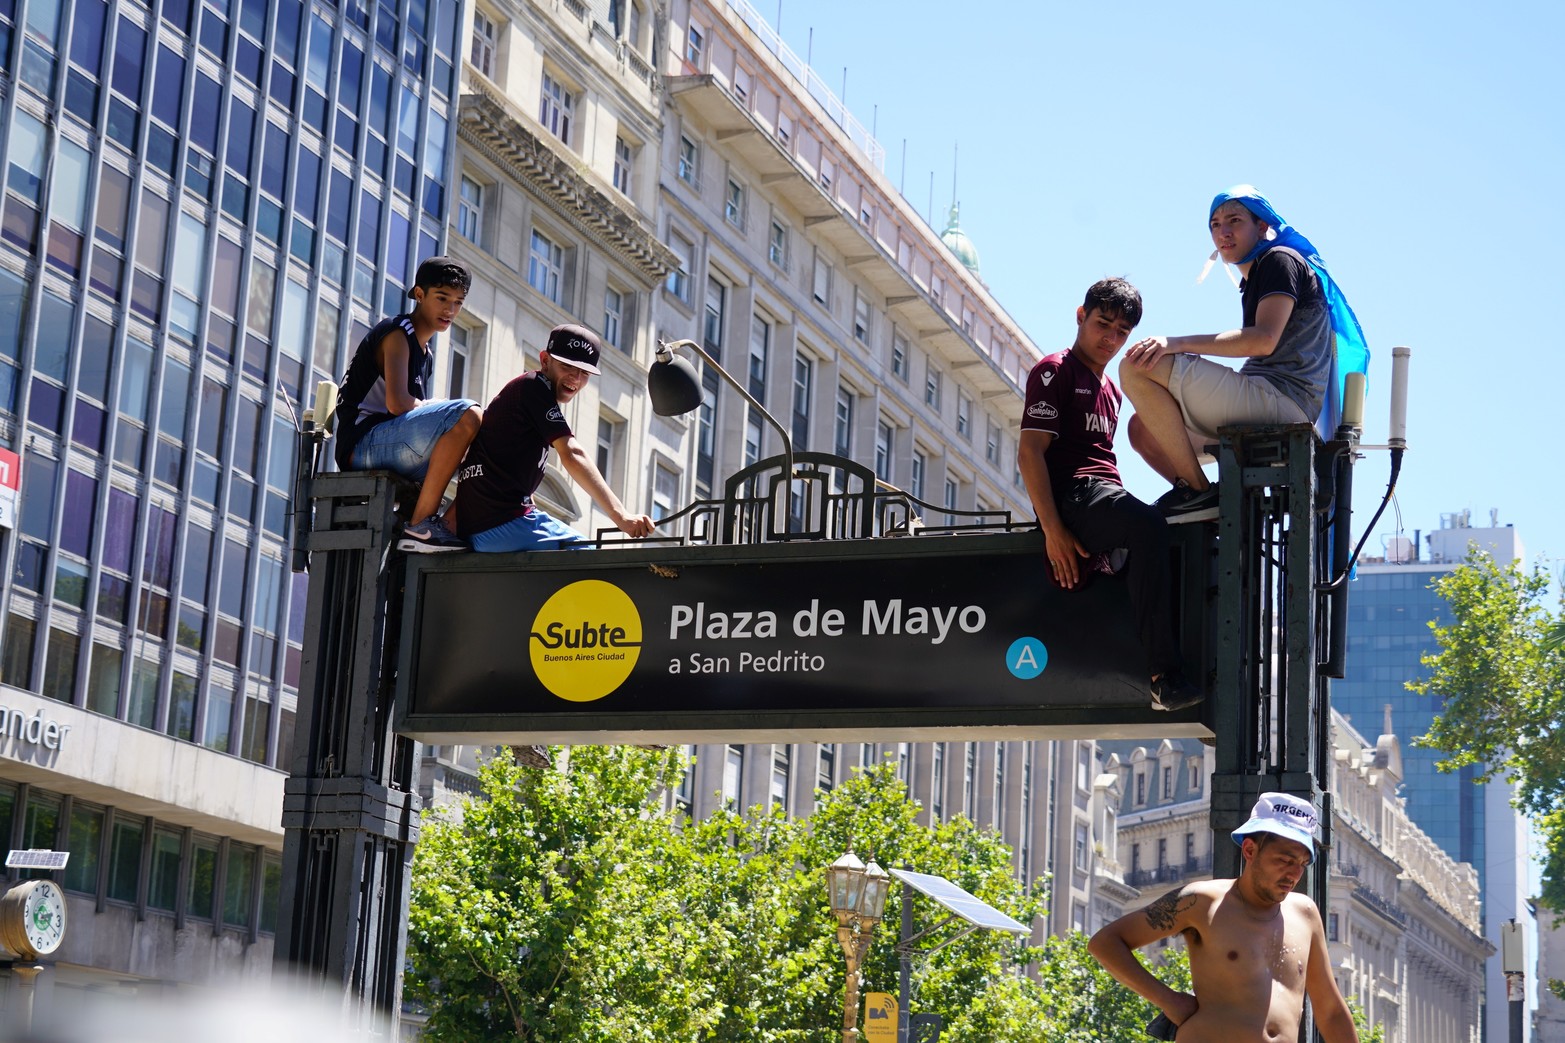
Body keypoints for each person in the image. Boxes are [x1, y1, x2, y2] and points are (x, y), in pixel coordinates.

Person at [1120, 186, 1366, 522]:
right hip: (1262, 401)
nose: (1223, 232)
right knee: (1143, 431)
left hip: (1280, 403)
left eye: (1234, 220)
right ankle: (1197, 496)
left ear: (1262, 226)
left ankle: (1201, 495)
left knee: (1137, 367)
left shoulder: (1279, 260)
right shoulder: (1256, 276)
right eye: (1215, 225)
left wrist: (1176, 343)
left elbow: (1262, 341)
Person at [1017, 278, 1200, 712]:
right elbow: (1029, 455)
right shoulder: (1053, 371)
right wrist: (1053, 532)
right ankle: (1163, 677)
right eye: (1103, 324)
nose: (1111, 339)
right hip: (1072, 495)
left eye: (1122, 332)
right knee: (1146, 523)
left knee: (1180, 533)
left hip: (1104, 494)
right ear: (1081, 317)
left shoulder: (1113, 392)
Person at [1087, 793, 1359, 1043]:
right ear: (1250, 850)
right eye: (1285, 860)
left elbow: (1331, 1011)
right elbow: (1106, 942)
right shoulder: (1202, 900)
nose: (1294, 874)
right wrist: (1168, 1000)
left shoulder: (1305, 913)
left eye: (1302, 863)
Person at [452, 323, 655, 551]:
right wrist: (622, 517)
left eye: (585, 372)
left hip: (484, 529)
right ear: (545, 360)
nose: (575, 378)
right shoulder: (534, 387)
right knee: (589, 558)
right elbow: (573, 454)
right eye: (567, 365)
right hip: (503, 524)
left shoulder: (526, 397)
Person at [334, 256, 482, 552]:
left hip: (390, 445)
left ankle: (443, 527)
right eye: (442, 298)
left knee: (487, 453)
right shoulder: (397, 332)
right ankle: (421, 525)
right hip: (362, 444)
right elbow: (399, 404)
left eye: (458, 303)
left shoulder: (425, 354)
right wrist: (440, 406)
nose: (450, 310)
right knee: (469, 415)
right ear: (419, 294)